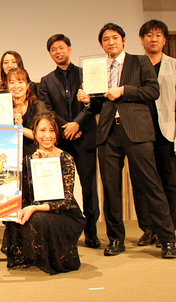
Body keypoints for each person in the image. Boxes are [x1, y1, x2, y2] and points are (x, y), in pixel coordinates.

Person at [77, 22, 176, 259]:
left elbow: (153, 91)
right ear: (101, 44)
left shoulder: (140, 61)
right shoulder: (98, 68)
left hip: (137, 131)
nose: (110, 42)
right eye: (105, 39)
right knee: (111, 189)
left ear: (123, 40)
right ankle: (115, 239)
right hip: (108, 133)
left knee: (151, 184)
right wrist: (89, 101)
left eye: (114, 38)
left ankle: (167, 240)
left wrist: (124, 90)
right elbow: (101, 104)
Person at [2, 111, 86, 274]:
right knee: (18, 213)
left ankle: (52, 257)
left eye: (52, 130)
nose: (47, 135)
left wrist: (33, 208)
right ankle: (29, 255)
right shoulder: (30, 159)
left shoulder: (66, 158)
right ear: (34, 133)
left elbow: (65, 201)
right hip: (38, 207)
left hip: (64, 213)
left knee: (36, 217)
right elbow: (27, 196)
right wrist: (35, 166)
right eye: (42, 130)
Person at [38, 34, 100, 248]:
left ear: (70, 49)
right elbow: (47, 110)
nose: (58, 52)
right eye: (53, 49)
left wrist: (78, 124)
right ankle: (64, 232)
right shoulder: (46, 80)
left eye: (61, 47)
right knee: (61, 189)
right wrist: (67, 126)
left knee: (89, 186)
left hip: (85, 137)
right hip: (61, 141)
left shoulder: (85, 73)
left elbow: (94, 103)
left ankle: (91, 231)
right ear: (50, 53)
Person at [134, 20, 176, 247]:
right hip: (140, 133)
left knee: (169, 182)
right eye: (149, 35)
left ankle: (168, 230)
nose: (153, 39)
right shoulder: (135, 65)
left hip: (166, 133)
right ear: (142, 39)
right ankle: (148, 229)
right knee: (141, 184)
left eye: (158, 35)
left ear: (165, 39)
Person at [8, 68, 47, 159]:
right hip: (9, 156)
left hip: (34, 155)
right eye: (12, 82)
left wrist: (20, 128)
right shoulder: (2, 107)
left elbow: (42, 136)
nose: (16, 86)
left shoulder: (37, 106)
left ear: (28, 85)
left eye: (20, 82)